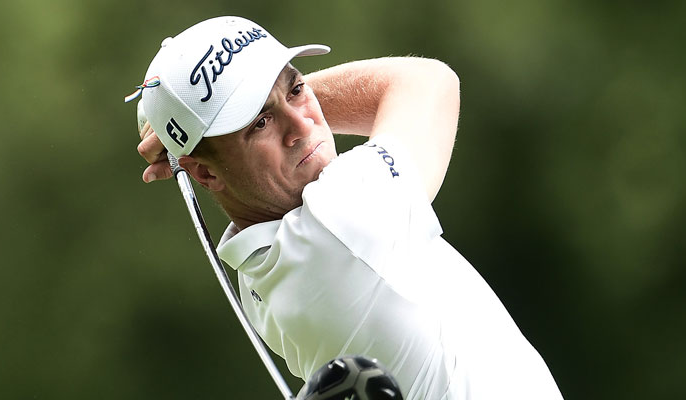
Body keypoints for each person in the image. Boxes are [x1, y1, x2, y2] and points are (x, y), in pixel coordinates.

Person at [129, 16, 563, 399]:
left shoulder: (255, 278)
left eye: (296, 89)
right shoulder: (339, 218)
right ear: (205, 175)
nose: (301, 125)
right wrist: (262, 97)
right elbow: (429, 82)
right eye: (259, 123)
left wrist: (200, 129)